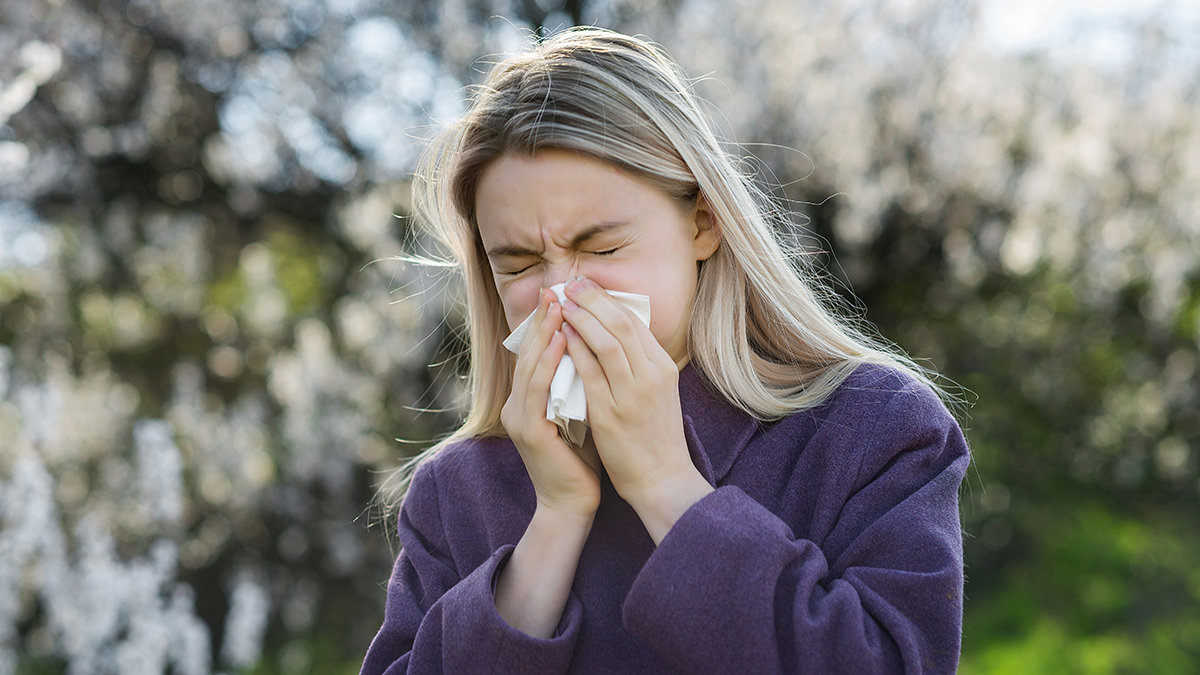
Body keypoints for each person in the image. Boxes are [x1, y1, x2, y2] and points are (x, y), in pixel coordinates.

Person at [361, 27, 968, 675]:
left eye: (602, 248)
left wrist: (664, 483)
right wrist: (554, 522)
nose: (562, 294)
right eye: (521, 263)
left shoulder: (874, 429)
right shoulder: (457, 490)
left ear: (702, 223)